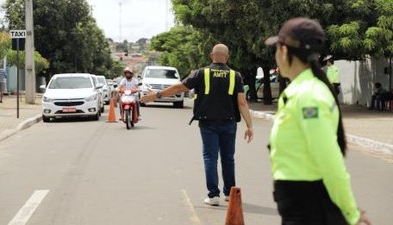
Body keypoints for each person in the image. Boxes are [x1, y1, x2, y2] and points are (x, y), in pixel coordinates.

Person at [265, 18, 371, 225]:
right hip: (300, 204)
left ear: (284, 52)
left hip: (307, 207)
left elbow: (329, 161)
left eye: (276, 48)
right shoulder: (301, 90)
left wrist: (351, 214)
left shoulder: (308, 96)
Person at [141, 44, 254, 206]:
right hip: (229, 123)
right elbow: (242, 102)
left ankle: (213, 195)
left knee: (210, 158)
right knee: (228, 158)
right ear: (227, 57)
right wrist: (250, 126)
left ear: (211, 55)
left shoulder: (201, 73)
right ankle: (230, 193)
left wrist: (156, 95)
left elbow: (180, 87)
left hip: (207, 123)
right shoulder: (235, 76)